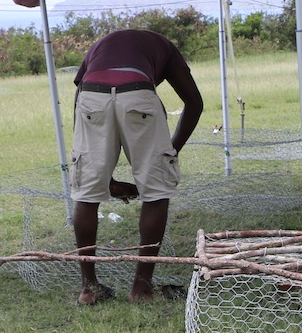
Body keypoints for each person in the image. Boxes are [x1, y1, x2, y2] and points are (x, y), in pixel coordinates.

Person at [68, 28, 203, 305]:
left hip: (90, 98)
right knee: (156, 192)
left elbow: (80, 96)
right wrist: (170, 151)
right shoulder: (166, 45)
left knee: (86, 195)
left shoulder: (99, 45)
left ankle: (88, 289)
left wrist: (103, 178)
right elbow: (194, 102)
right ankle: (141, 288)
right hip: (137, 95)